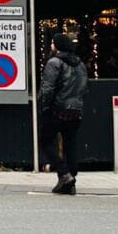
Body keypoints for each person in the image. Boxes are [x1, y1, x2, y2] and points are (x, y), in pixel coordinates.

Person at [40, 33, 89, 195]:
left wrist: (44, 105)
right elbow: (84, 88)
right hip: (76, 110)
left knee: (45, 141)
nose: (51, 46)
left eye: (52, 43)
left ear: (57, 45)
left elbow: (48, 88)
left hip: (57, 109)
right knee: (70, 144)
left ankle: (64, 173)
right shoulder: (80, 64)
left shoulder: (54, 62)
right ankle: (70, 181)